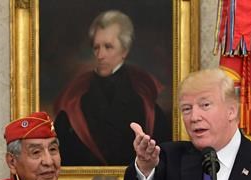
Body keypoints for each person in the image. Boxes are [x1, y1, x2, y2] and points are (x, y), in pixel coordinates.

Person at [54, 10, 171, 167]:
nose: (100, 55)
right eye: (96, 47)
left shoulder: (143, 99)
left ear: (125, 51)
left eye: (108, 47)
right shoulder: (76, 98)